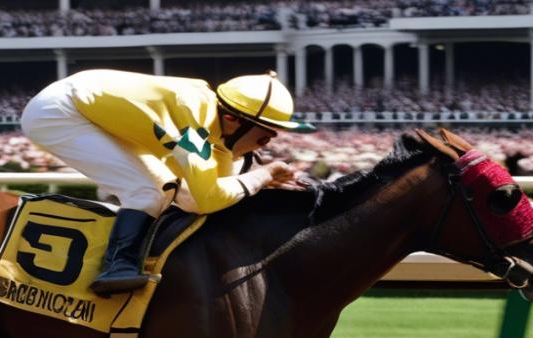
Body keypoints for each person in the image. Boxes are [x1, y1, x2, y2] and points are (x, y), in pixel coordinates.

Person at [20, 68, 315, 295]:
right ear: (234, 120)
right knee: (146, 191)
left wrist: (257, 181)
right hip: (60, 112)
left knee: (169, 190)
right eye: (264, 137)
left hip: (97, 113)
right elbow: (209, 198)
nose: (263, 146)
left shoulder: (216, 125)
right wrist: (263, 175)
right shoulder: (195, 123)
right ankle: (116, 267)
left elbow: (203, 198)